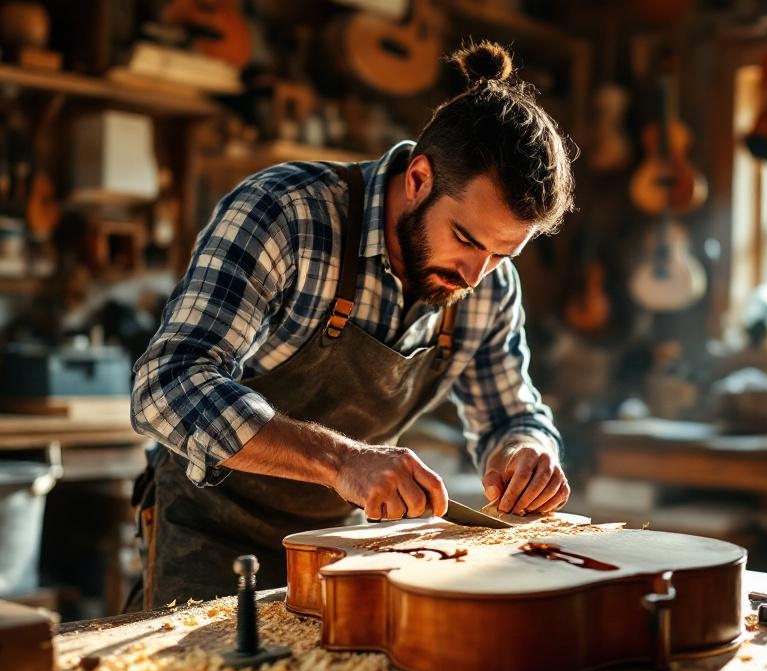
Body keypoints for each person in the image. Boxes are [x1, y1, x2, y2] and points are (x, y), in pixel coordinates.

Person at [130, 41, 577, 608]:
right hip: (211, 538)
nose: (474, 272)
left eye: (502, 254)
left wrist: (526, 451)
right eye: (465, 238)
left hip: (341, 547)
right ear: (418, 178)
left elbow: (512, 414)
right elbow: (165, 386)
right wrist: (343, 462)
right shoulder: (285, 215)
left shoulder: (487, 286)